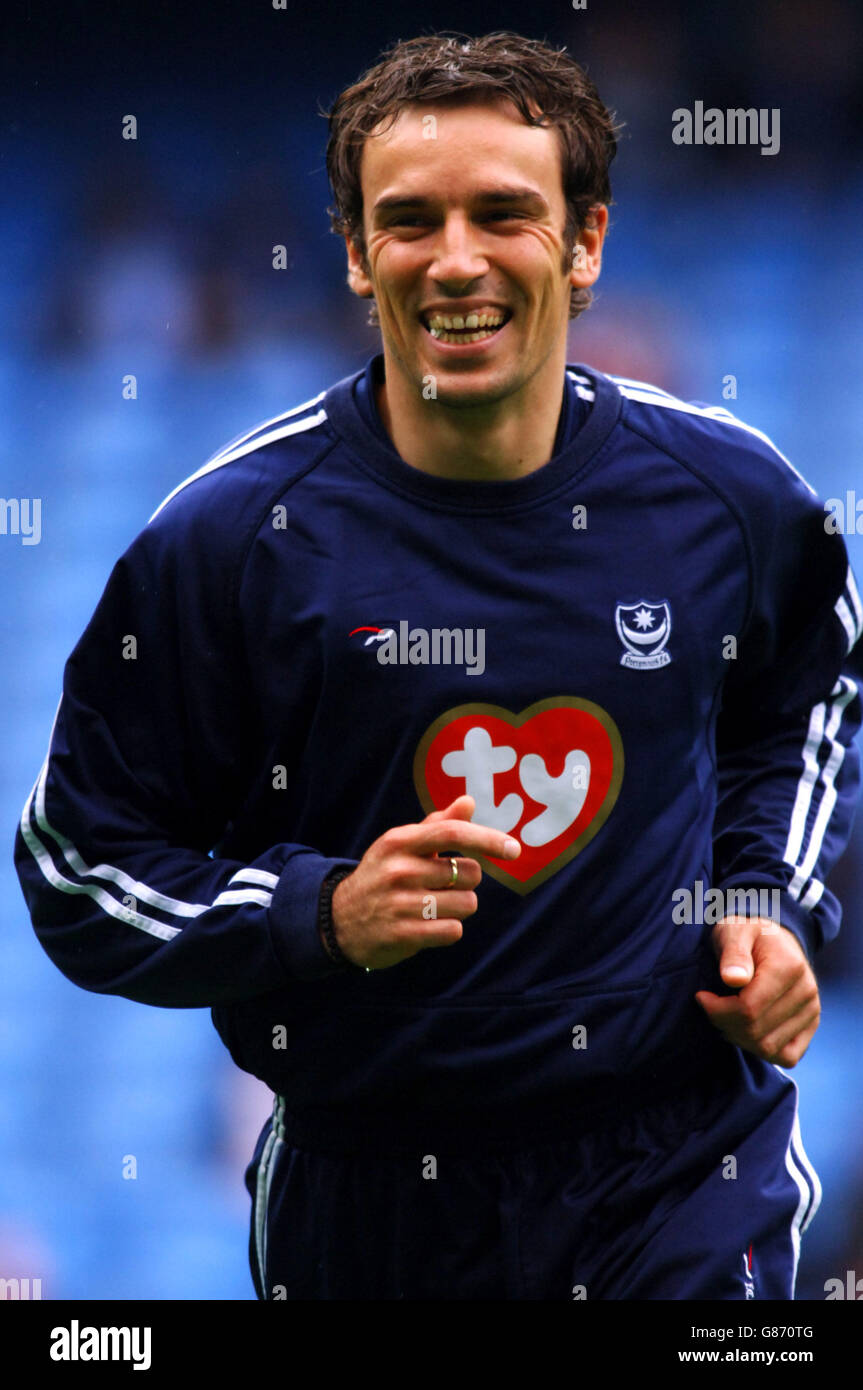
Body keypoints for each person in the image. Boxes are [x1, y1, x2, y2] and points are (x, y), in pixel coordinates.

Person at [15, 31, 863, 1301]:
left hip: (675, 1168)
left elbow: (797, 713)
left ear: (583, 243)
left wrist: (764, 902)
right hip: (370, 1201)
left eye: (502, 214)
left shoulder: (731, 500)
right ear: (356, 255)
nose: (455, 258)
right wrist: (317, 915)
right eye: (407, 220)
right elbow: (79, 865)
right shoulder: (230, 542)